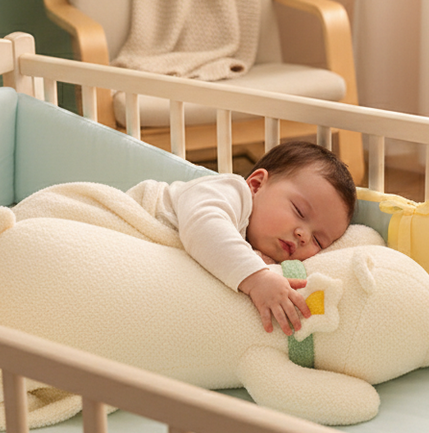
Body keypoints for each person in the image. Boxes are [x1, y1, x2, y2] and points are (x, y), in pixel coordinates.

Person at [132, 140, 355, 336]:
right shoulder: (231, 191)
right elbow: (203, 227)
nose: (303, 236)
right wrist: (257, 278)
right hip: (131, 224)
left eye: (318, 241)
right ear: (256, 185)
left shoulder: (261, 252)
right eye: (299, 211)